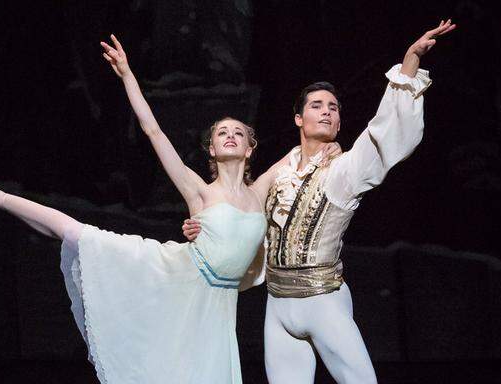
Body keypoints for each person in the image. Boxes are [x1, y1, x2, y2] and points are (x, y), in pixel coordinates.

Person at [0, 34, 338, 384]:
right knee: (78, 233)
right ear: (212, 149)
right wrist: (127, 75)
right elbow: (153, 130)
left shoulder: (261, 190)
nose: (231, 135)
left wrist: (333, 147)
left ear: (250, 148)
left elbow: (304, 151)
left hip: (216, 306)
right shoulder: (198, 192)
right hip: (178, 273)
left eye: (239, 132)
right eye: (223, 132)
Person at [182, 20, 457, 384]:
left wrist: (409, 63)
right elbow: (239, 210)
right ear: (299, 118)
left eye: (333, 107)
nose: (327, 111)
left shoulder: (343, 171)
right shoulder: (279, 174)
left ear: (340, 123)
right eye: (317, 105)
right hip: (277, 306)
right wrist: (201, 227)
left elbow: (383, 135)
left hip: (323, 300)